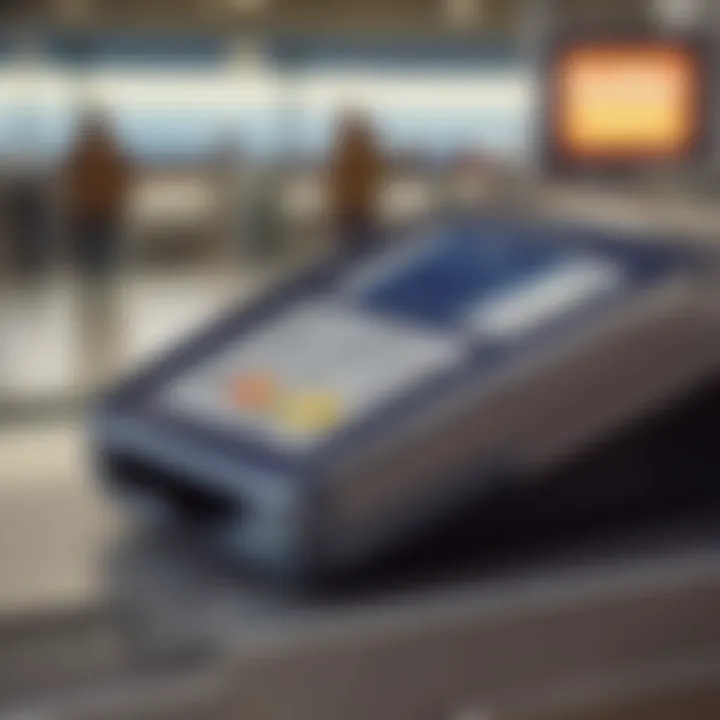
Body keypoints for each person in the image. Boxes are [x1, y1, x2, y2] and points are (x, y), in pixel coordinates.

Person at [63, 113, 132, 388]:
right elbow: (121, 177)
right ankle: (97, 290)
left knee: (98, 250)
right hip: (97, 208)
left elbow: (121, 177)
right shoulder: (94, 154)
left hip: (97, 208)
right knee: (97, 250)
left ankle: (98, 290)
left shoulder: (90, 155)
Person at [327, 111, 383, 258]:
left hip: (358, 207)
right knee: (354, 247)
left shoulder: (353, 153)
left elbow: (375, 177)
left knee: (356, 247)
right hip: (352, 207)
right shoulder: (352, 153)